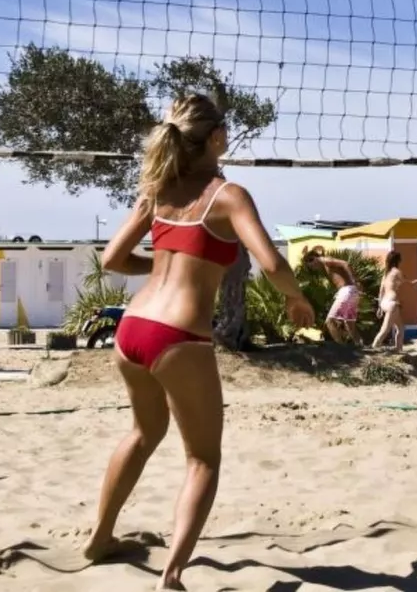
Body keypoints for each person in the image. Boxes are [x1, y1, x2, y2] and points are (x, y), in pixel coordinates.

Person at [87, 94, 315, 591]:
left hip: (131, 331)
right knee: (203, 460)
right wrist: (296, 300)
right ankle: (170, 575)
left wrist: (166, 264)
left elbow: (112, 259)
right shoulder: (227, 194)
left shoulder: (156, 189)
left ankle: (99, 537)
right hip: (178, 337)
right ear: (215, 137)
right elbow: (273, 265)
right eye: (225, 131)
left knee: (143, 434)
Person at [304, 248, 361, 344]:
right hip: (351, 291)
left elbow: (345, 264)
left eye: (311, 262)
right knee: (349, 323)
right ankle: (360, 345)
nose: (311, 266)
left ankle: (341, 348)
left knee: (329, 321)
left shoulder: (325, 260)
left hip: (347, 290)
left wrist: (355, 281)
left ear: (314, 258)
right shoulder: (325, 266)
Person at [371, 251, 409, 350]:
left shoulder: (386, 274)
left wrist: (379, 307)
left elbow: (381, 292)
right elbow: (409, 284)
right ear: (398, 261)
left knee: (400, 328)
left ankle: (398, 350)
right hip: (392, 304)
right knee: (384, 330)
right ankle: (373, 349)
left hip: (384, 303)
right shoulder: (397, 271)